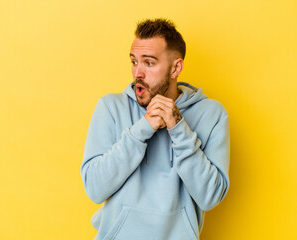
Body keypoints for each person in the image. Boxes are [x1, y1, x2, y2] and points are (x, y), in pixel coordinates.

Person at [80, 18, 230, 240]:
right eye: (134, 62)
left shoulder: (212, 114)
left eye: (148, 63)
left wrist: (179, 128)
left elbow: (210, 196)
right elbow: (94, 188)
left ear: (175, 68)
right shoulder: (110, 107)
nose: (137, 73)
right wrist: (141, 130)